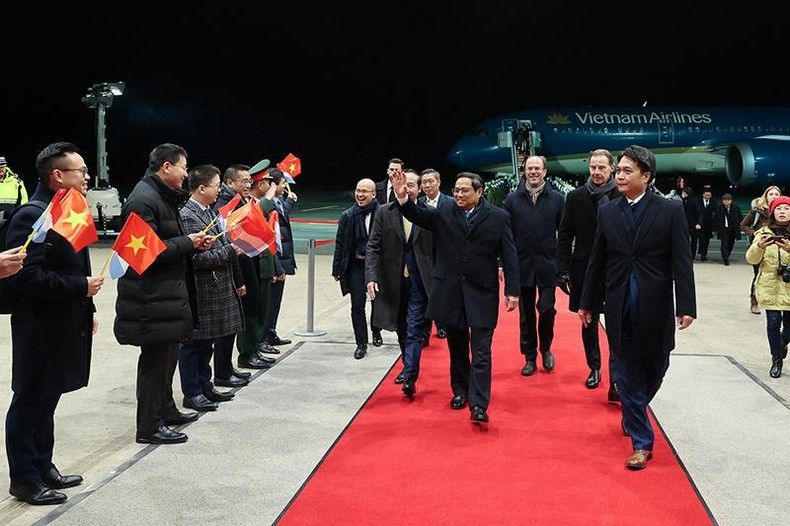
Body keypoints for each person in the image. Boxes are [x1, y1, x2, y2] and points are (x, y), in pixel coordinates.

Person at [579, 145, 695, 470]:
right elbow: (597, 260)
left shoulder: (670, 210)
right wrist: (587, 302)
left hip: (655, 304)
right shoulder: (608, 211)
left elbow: (682, 261)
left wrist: (686, 305)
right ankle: (642, 443)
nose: (619, 176)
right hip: (618, 305)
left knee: (656, 368)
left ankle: (634, 409)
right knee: (626, 374)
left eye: (627, 171)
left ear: (647, 176)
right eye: (618, 170)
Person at [5, 142, 104, 504]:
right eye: (81, 171)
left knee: (49, 397)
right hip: (39, 324)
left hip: (65, 318)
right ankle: (24, 478)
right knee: (30, 399)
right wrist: (79, 288)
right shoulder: (33, 215)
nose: (88, 177)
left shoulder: (67, 208)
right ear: (58, 175)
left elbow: (77, 265)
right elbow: (23, 275)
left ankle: (43, 465)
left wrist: (88, 307)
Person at [391, 169, 519, 423]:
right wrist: (402, 197)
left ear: (479, 192)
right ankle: (460, 390)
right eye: (456, 190)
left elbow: (509, 254)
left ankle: (479, 404)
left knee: (481, 351)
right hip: (450, 292)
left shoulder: (499, 217)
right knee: (457, 347)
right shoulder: (444, 211)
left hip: (482, 293)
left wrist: (512, 291)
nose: (459, 194)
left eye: (464, 190)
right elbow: (417, 215)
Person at [114, 143, 213, 445]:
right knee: (155, 364)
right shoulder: (143, 200)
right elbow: (144, 254)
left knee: (167, 359)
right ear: (166, 167)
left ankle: (166, 410)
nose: (186, 174)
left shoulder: (162, 196)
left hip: (165, 295)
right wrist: (189, 243)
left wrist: (191, 243)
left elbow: (167, 242)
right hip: (150, 298)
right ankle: (149, 426)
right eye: (183, 167)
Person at [177, 165, 244, 412]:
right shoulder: (188, 215)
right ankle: (192, 392)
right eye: (216, 186)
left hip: (215, 288)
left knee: (207, 344)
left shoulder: (208, 212)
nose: (219, 190)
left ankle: (205, 386)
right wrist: (230, 251)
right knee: (193, 345)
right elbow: (194, 259)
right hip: (201, 290)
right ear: (201, 188)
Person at [556, 149, 620, 397]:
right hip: (584, 268)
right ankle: (594, 367)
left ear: (611, 168)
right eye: (593, 167)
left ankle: (617, 377)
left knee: (616, 324)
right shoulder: (575, 197)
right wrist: (562, 269)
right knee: (588, 321)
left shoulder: (621, 194)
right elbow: (565, 234)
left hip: (615, 268)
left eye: (602, 167)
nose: (596, 172)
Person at [366, 169, 434, 397]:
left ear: (419, 189)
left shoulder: (429, 214)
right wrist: (371, 277)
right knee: (401, 328)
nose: (406, 189)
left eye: (411, 185)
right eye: (402, 185)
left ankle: (410, 375)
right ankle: (408, 365)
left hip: (419, 281)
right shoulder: (384, 212)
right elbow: (373, 246)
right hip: (392, 282)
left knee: (414, 327)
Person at [502, 155, 564, 377]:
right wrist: (503, 263)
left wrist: (563, 264)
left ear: (545, 172)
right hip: (522, 266)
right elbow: (505, 235)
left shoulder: (557, 199)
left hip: (548, 266)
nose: (533, 172)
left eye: (537, 168)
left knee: (546, 310)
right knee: (526, 315)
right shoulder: (512, 200)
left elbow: (564, 234)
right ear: (524, 171)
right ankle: (529, 356)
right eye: (530, 168)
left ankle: (545, 348)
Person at [237, 160, 285, 367]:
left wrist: (274, 267)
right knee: (252, 313)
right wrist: (268, 199)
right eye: (268, 182)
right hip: (250, 267)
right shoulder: (248, 205)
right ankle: (248, 353)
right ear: (261, 184)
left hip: (263, 265)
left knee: (260, 311)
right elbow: (252, 224)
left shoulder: (255, 204)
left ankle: (254, 348)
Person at [209, 164, 253, 386]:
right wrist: (238, 278)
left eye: (249, 181)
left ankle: (226, 368)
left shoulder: (236, 201)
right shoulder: (224, 206)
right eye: (244, 181)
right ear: (230, 182)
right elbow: (229, 244)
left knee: (231, 326)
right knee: (224, 329)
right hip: (228, 270)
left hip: (235, 267)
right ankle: (222, 373)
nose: (248, 185)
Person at [332, 178, 379, 358]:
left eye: (364, 191)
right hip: (356, 266)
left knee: (377, 302)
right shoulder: (348, 215)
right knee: (357, 305)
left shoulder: (382, 213)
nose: (360, 194)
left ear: (373, 194)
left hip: (376, 266)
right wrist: (337, 268)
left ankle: (376, 330)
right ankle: (361, 343)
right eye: (358, 190)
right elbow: (340, 243)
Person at [745, 195, 790, 378]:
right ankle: (776, 359)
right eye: (778, 209)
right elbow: (751, 259)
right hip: (769, 285)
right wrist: (760, 247)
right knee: (773, 323)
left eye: (786, 208)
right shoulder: (763, 232)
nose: (782, 212)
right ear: (772, 212)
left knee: (789, 328)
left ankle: (781, 344)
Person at [264, 167, 297, 348]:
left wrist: (289, 201)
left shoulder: (278, 201)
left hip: (283, 258)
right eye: (283, 183)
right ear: (273, 185)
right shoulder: (267, 204)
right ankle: (263, 338)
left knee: (275, 300)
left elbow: (283, 214)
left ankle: (271, 332)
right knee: (268, 301)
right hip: (275, 260)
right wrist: (276, 265)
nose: (285, 186)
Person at [418, 167, 452, 343]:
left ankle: (442, 325)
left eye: (430, 181)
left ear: (438, 182)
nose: (427, 185)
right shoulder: (418, 204)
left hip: (444, 255)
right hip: (424, 254)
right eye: (424, 182)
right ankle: (425, 331)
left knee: (442, 292)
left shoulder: (450, 203)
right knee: (425, 292)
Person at [741, 185, 782, 315]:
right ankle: (754, 301)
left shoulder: (782, 211)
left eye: (776, 194)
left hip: (779, 248)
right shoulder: (757, 211)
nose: (774, 197)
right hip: (761, 247)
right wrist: (754, 234)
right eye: (771, 194)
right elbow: (744, 224)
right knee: (758, 274)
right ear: (766, 196)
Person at [713, 193, 744, 266]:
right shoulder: (719, 208)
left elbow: (740, 218)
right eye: (725, 200)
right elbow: (715, 219)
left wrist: (740, 227)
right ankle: (725, 258)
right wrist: (714, 229)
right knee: (724, 244)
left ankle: (727, 254)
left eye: (728, 200)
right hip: (723, 229)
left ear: (731, 201)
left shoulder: (735, 208)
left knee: (731, 243)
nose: (726, 201)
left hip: (732, 229)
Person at [0, 156, 29, 221]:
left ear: (5, 167)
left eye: (2, 168)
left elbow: (23, 203)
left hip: (10, 222)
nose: (1, 172)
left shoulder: (17, 182)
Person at [681, 186, 702, 259]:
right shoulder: (683, 201)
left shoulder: (692, 201)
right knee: (686, 240)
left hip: (692, 224)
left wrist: (699, 223)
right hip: (686, 224)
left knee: (693, 241)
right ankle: (688, 255)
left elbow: (699, 213)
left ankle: (691, 255)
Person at [697, 186, 715, 261]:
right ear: (703, 195)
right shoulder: (698, 202)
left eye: (709, 195)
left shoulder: (713, 203)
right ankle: (702, 254)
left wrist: (713, 228)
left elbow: (714, 216)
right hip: (700, 224)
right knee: (702, 239)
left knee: (707, 240)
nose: (707, 196)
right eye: (706, 195)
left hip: (709, 225)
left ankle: (704, 254)